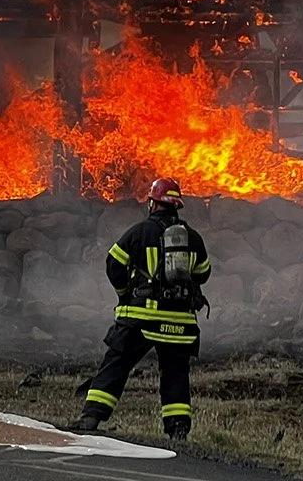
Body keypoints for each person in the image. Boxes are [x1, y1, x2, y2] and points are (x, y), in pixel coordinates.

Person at [67, 177, 211, 439]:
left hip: (141, 317)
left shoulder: (139, 232)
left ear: (153, 204)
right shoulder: (193, 238)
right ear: (177, 206)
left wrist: (125, 294)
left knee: (117, 364)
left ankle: (91, 417)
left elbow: (114, 264)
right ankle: (178, 430)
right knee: (175, 374)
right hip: (180, 324)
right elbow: (203, 274)